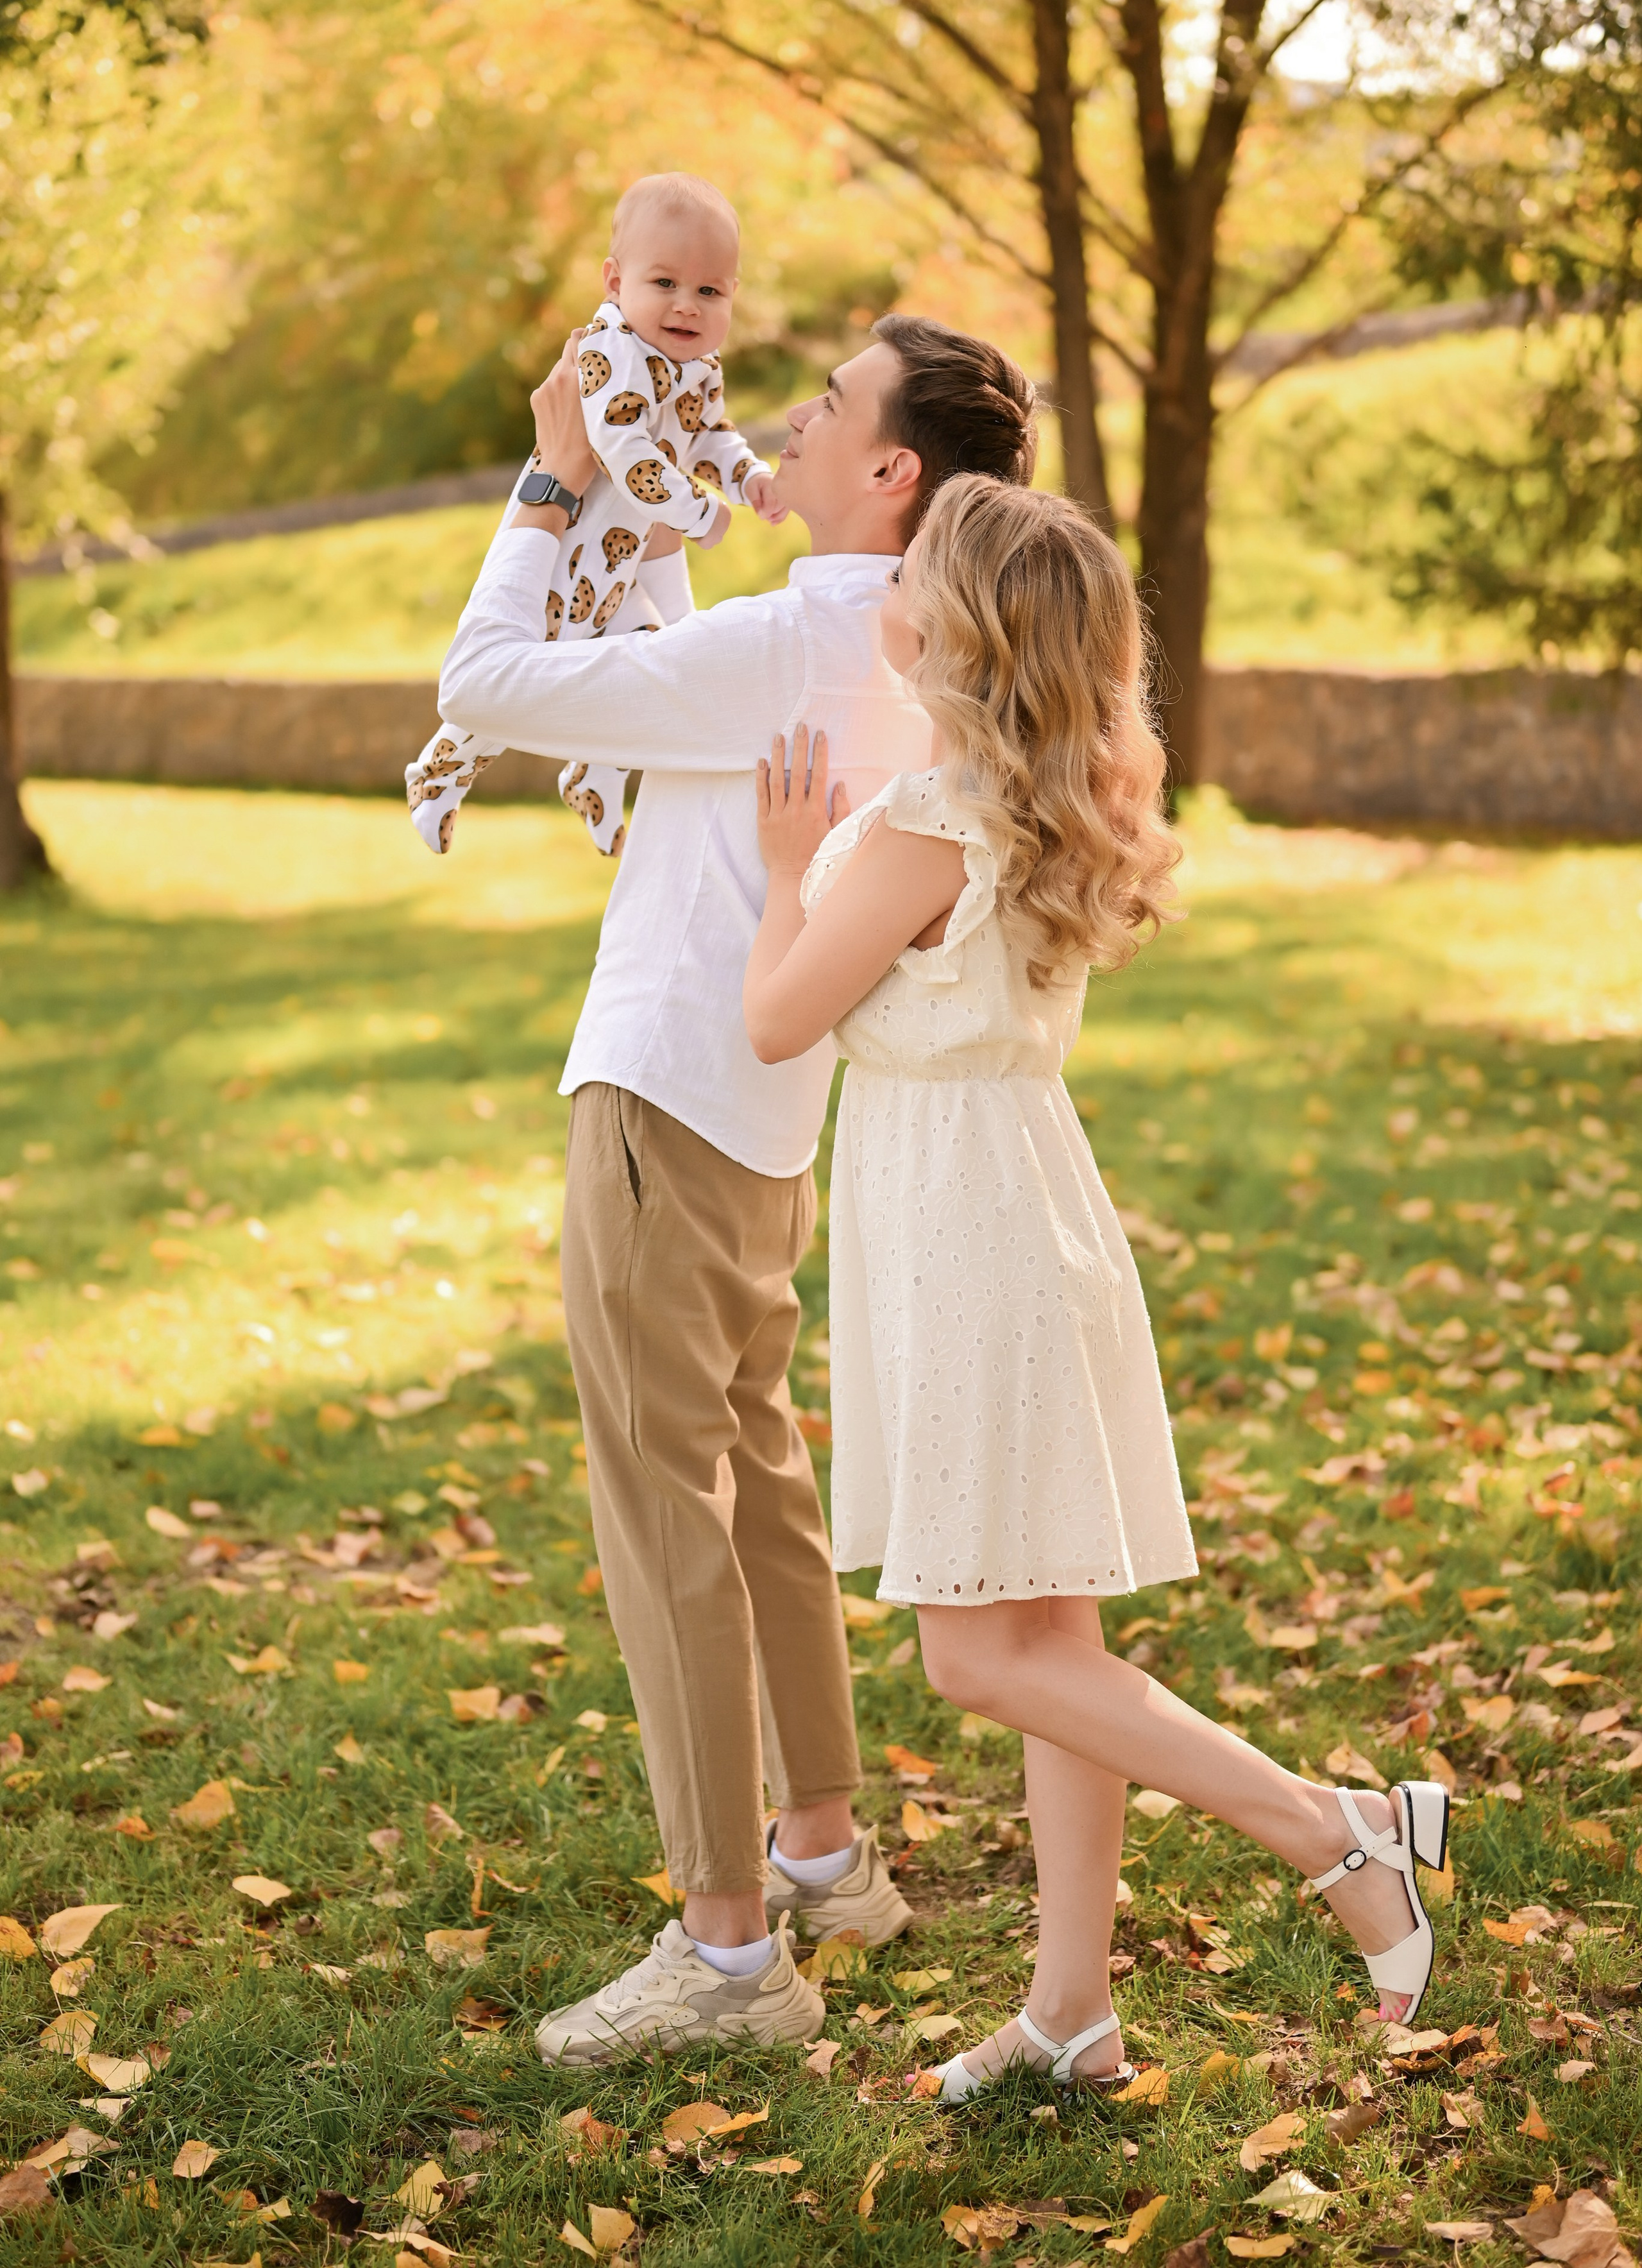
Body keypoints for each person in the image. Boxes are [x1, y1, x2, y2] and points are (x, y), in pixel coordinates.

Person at [741, 474, 1451, 2102]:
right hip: (1015, 1206)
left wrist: (787, 862)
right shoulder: (1021, 800)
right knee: (1048, 1623)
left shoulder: (925, 826)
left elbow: (778, 1016)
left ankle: (1329, 1829)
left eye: (913, 562)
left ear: (952, 620)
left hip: (960, 1234)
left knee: (975, 1654)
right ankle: (1070, 2007)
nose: (890, 574)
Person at [436, 311, 1040, 2064]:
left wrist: (554, 477)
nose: (789, 416)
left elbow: (483, 679)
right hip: (772, 1117)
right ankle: (825, 1858)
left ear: (891, 474)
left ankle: (722, 1953)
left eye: (829, 403)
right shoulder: (912, 643)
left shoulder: (799, 633)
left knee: (666, 1511)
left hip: (667, 1101)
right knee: (757, 1481)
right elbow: (671, 687)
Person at [405, 173, 784, 859]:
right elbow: (622, 448)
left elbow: (711, 436)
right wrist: (702, 512)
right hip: (566, 550)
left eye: (709, 291)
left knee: (636, 672)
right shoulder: (610, 352)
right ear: (615, 281)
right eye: (664, 282)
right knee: (519, 678)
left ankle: (594, 782)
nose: (685, 306)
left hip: (621, 565)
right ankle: (438, 774)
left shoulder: (700, 368)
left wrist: (747, 475)